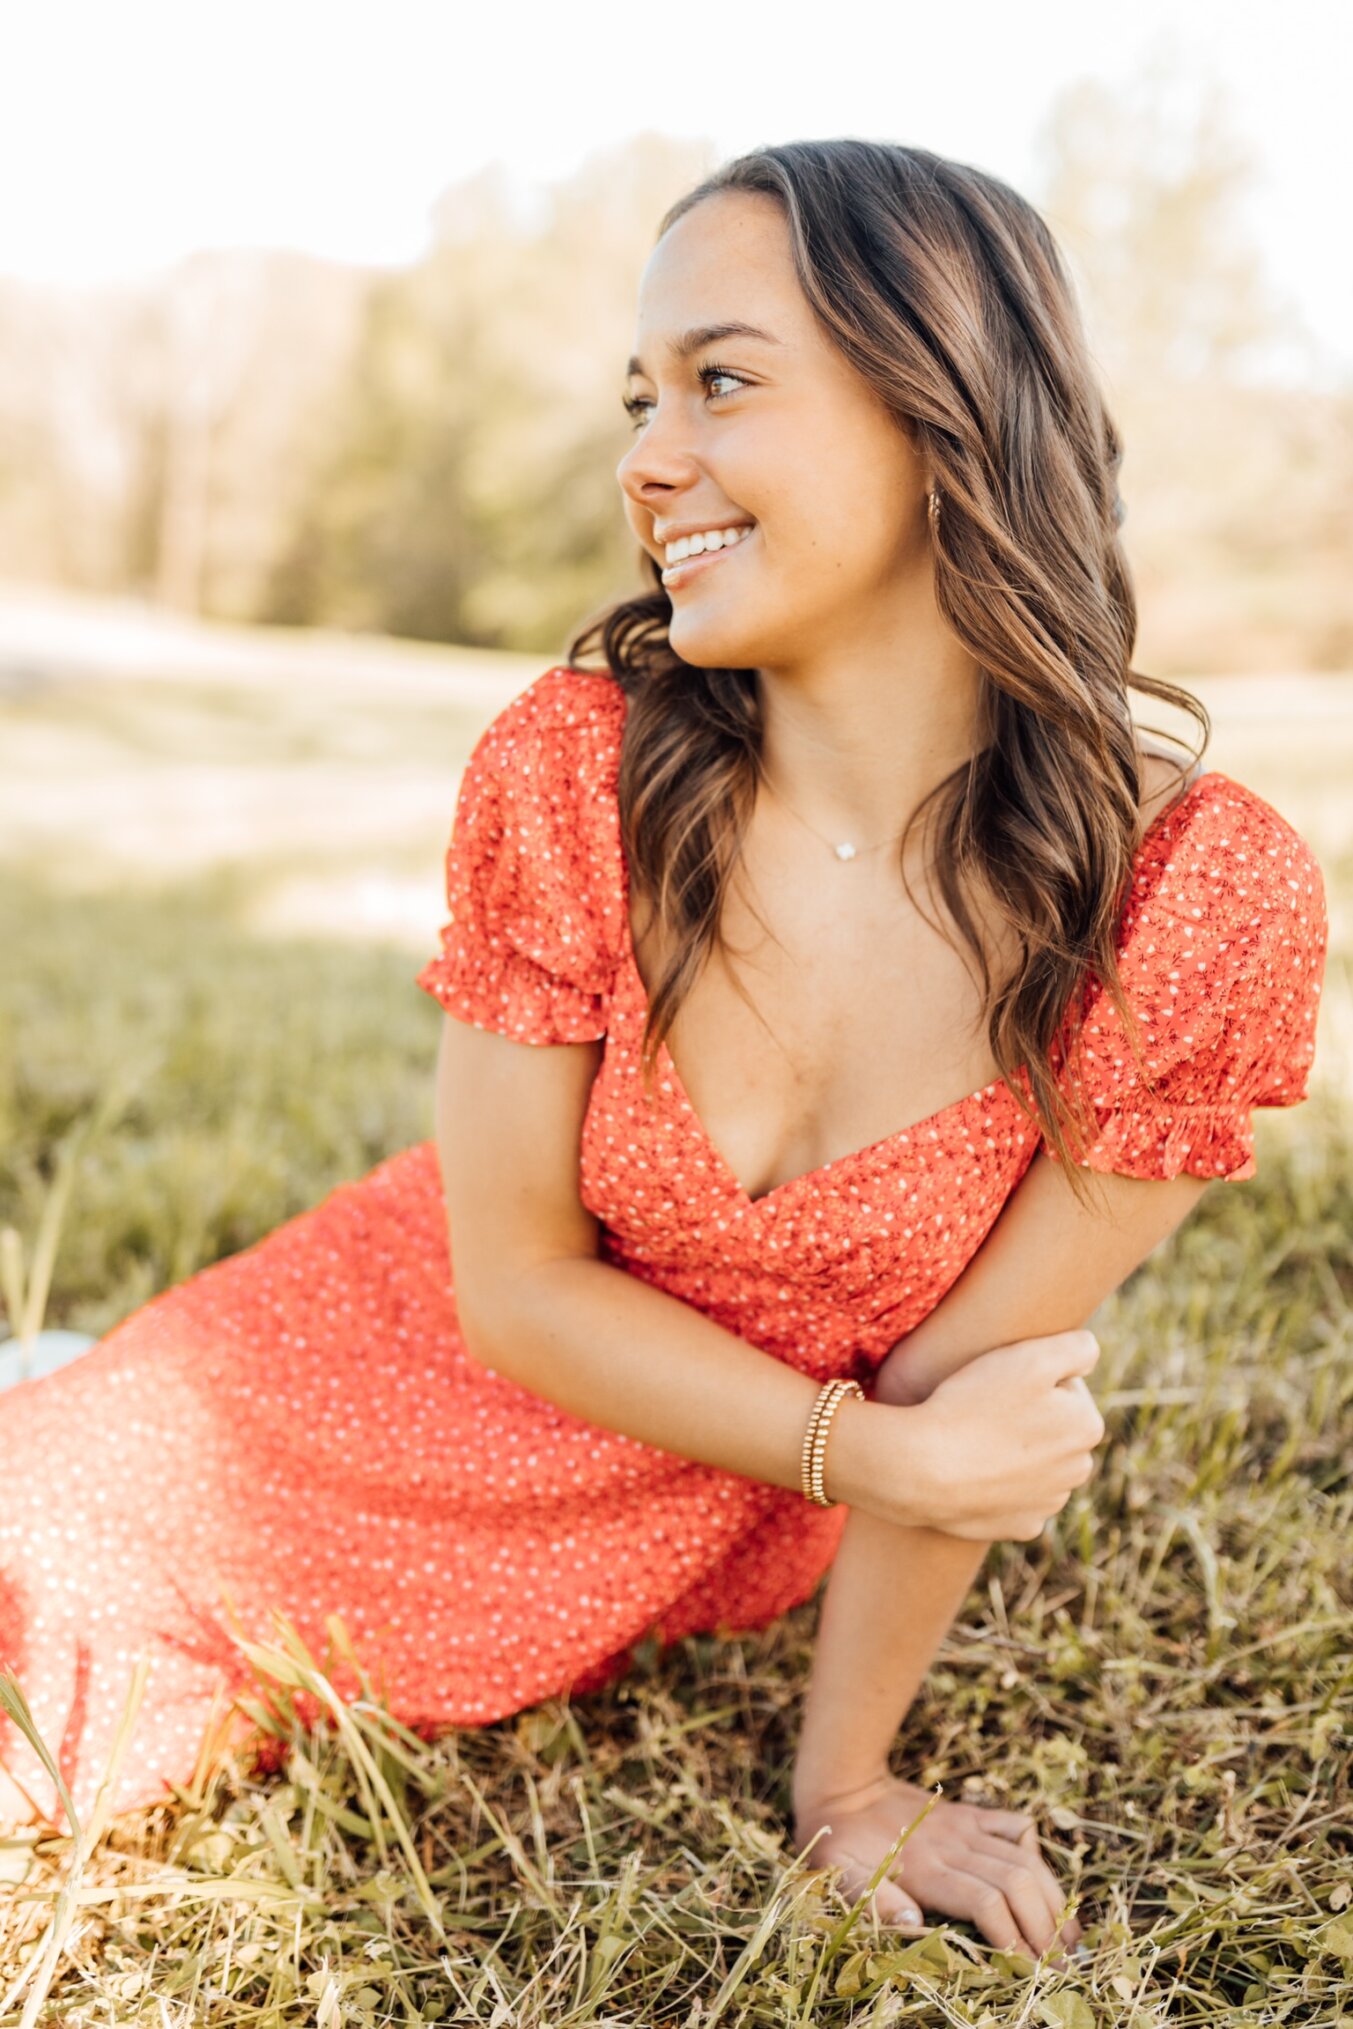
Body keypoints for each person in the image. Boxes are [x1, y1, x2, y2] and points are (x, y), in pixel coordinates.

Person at [0, 141, 1327, 1968]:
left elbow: (970, 1401)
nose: (645, 458)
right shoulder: (572, 769)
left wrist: (847, 1784)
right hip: (332, 1376)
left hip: (679, 1516)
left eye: (720, 381)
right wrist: (859, 1451)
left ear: (940, 402)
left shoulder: (1194, 898)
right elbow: (518, 1286)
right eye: (641, 398)